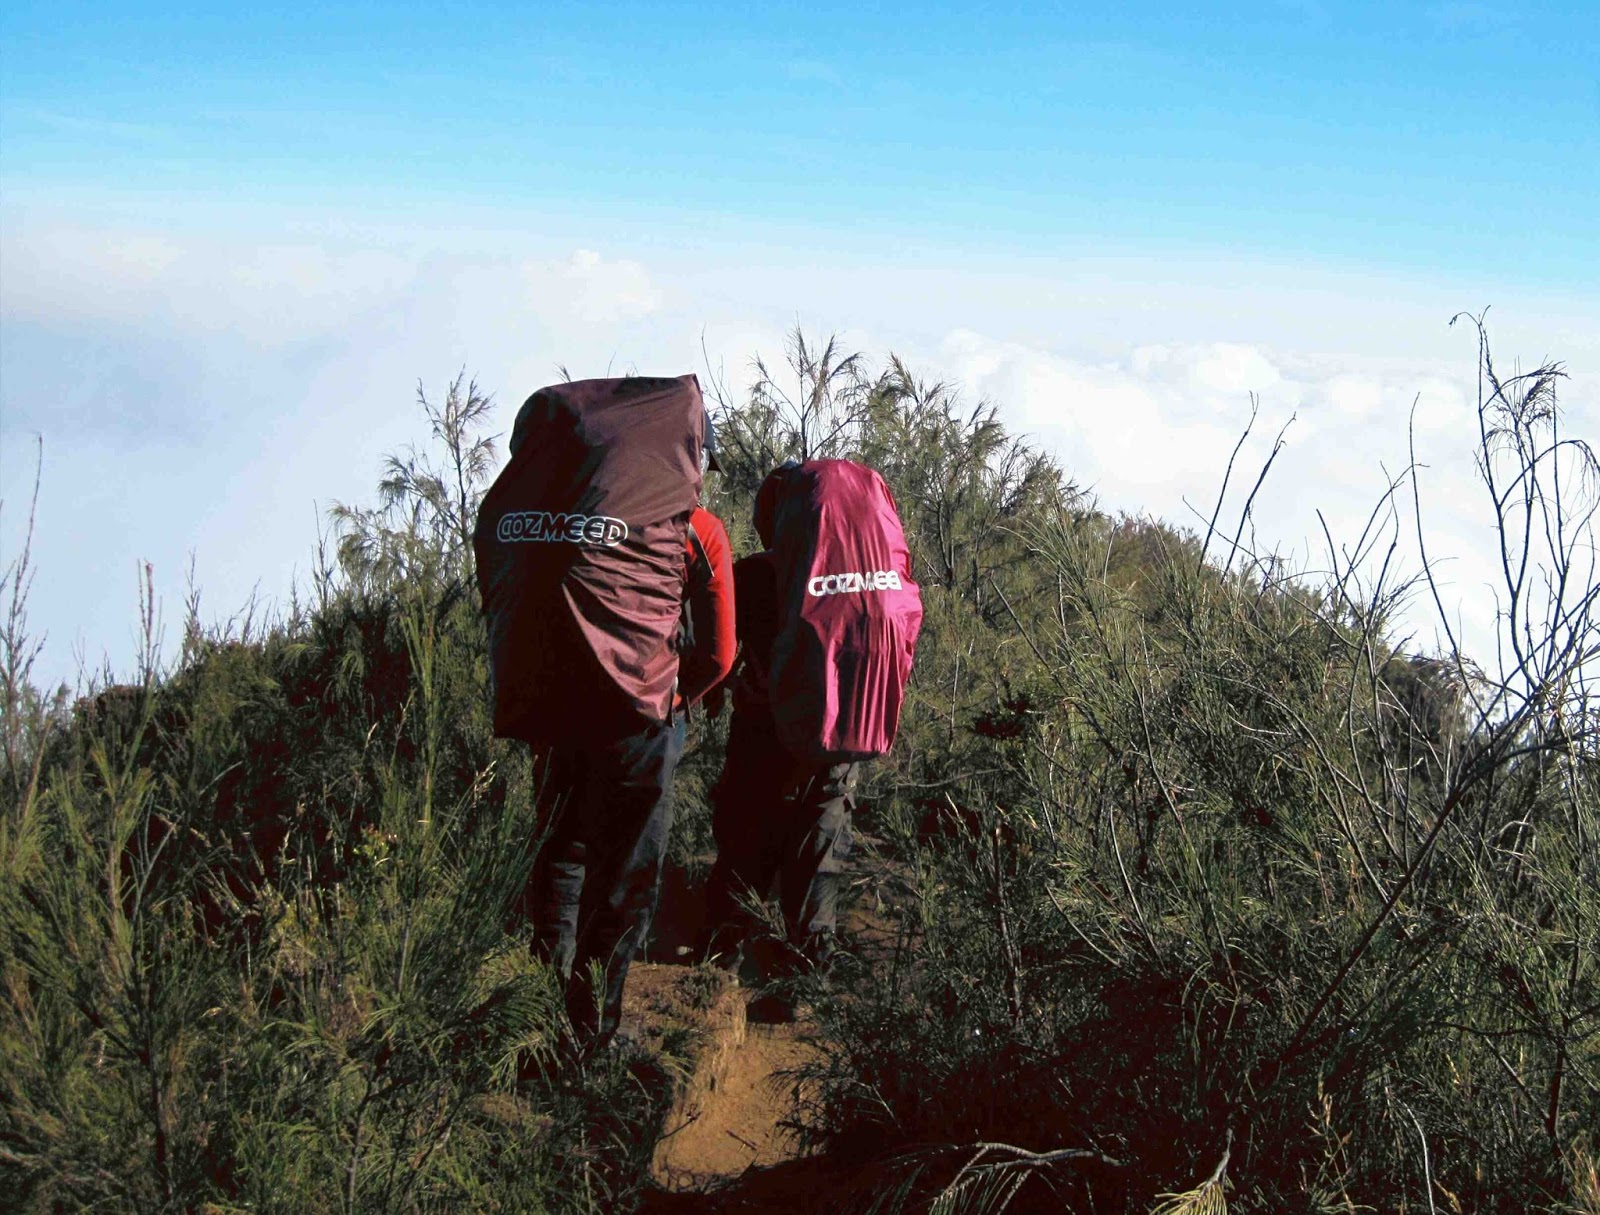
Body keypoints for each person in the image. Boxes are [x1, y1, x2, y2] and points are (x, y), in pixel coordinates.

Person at [477, 377, 735, 1057]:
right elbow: (720, 651)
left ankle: (536, 1002)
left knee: (560, 848)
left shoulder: (538, 519)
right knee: (623, 869)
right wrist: (676, 699)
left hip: (553, 703)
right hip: (637, 719)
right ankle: (594, 1030)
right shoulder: (694, 529)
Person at [699, 467, 860, 982]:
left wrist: (720, 692)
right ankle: (805, 992)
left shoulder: (751, 576)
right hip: (836, 752)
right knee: (819, 867)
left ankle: (717, 980)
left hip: (760, 743)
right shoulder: (854, 583)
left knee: (743, 859)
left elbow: (717, 656)